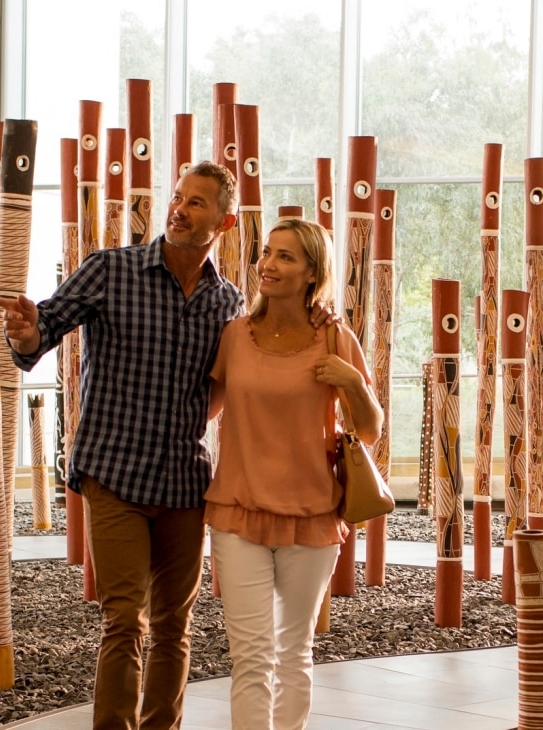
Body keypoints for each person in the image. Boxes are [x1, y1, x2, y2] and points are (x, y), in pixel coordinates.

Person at [0, 160, 323, 730]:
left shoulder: (228, 306)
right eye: (178, 196)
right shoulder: (110, 270)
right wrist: (26, 333)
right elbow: (44, 326)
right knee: (124, 619)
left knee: (174, 624)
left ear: (221, 223)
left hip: (183, 483)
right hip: (114, 474)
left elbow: (225, 385)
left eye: (197, 202)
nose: (180, 208)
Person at [205, 219, 380, 730]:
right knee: (252, 658)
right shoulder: (235, 336)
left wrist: (352, 382)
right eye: (267, 254)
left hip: (313, 516)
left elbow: (367, 430)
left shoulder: (333, 337)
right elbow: (205, 410)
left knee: (294, 652)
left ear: (311, 272)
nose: (269, 265)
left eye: (285, 257)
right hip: (237, 512)